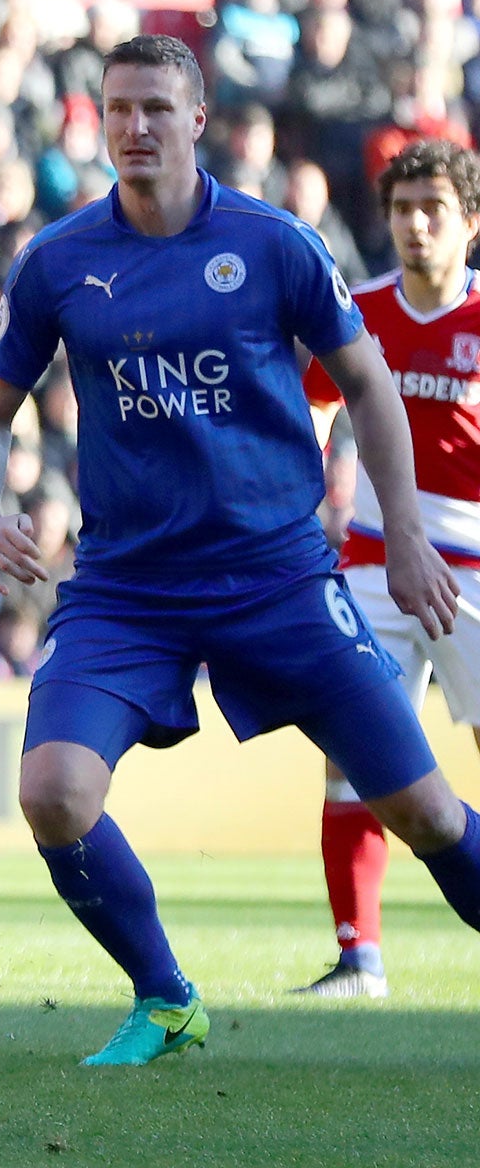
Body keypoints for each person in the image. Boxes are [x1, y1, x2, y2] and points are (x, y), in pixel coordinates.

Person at [0, 33, 480, 1067]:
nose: (133, 127)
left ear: (195, 119)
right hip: (124, 589)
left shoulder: (274, 242)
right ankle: (163, 997)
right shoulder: (58, 261)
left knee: (419, 812)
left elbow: (367, 385)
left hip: (279, 579)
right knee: (52, 793)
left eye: (155, 106)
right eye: (115, 108)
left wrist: (406, 533)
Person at [299, 141, 480, 998]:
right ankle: (358, 957)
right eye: (403, 209)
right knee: (353, 760)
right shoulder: (358, 310)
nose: (415, 225)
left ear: (469, 223)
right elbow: (311, 405)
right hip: (371, 563)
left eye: (434, 209)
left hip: (475, 574)